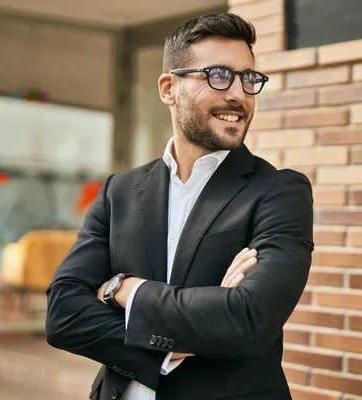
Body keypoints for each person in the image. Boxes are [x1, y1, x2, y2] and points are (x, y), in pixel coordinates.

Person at [45, 12, 314, 400]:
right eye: (219, 75)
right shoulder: (118, 191)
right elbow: (63, 315)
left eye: (248, 78)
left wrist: (125, 291)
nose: (238, 93)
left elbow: (248, 321)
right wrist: (185, 335)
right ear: (169, 88)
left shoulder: (278, 191)